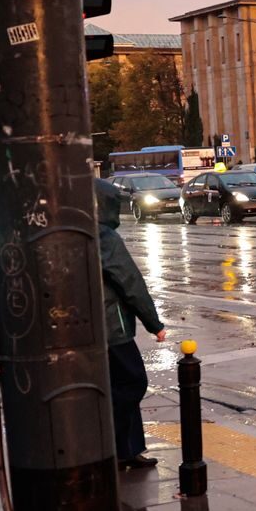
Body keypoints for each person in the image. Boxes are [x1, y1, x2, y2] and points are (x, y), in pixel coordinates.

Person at [95, 180, 166, 468]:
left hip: (86, 329)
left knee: (114, 384)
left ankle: (128, 448)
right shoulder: (104, 236)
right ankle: (113, 444)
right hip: (112, 326)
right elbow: (129, 282)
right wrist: (154, 323)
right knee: (132, 381)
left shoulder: (78, 232)